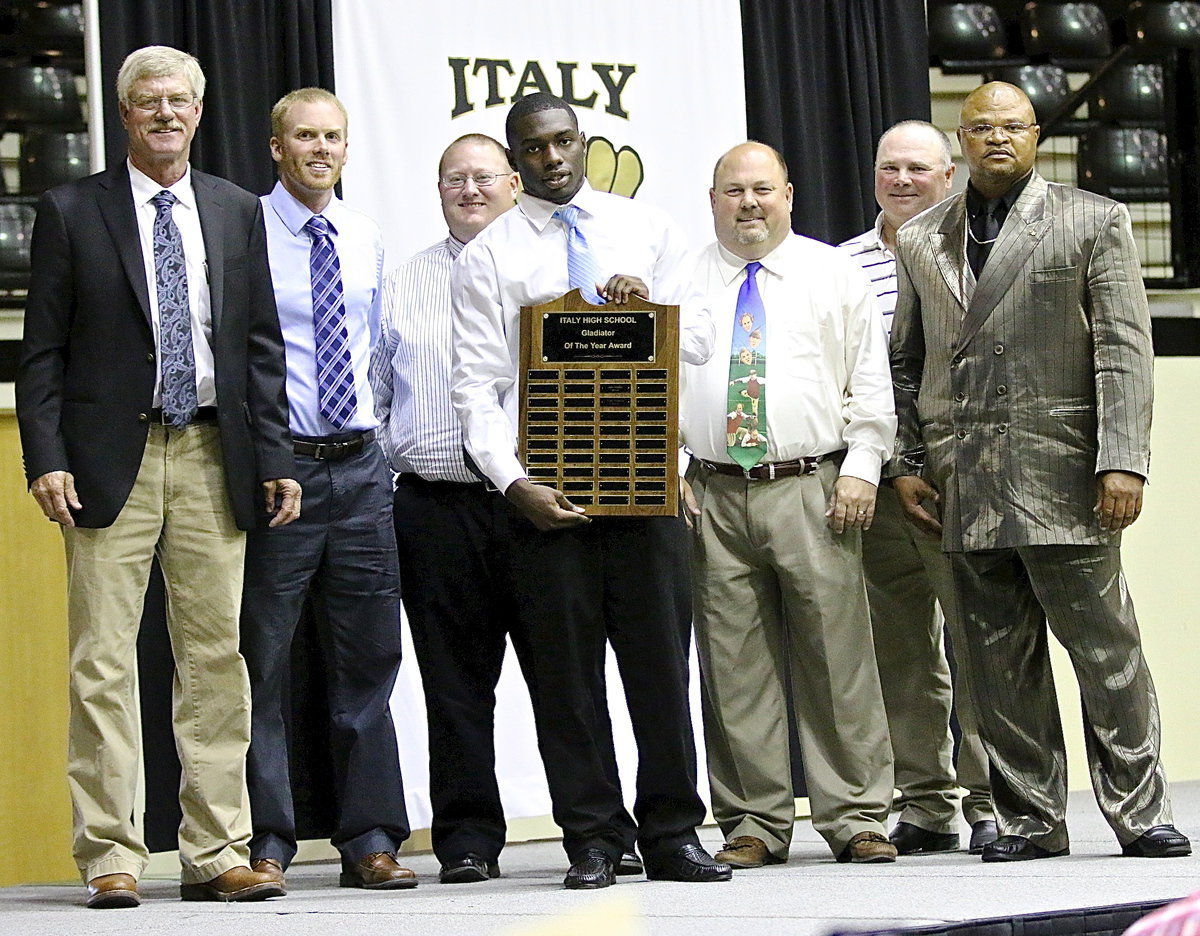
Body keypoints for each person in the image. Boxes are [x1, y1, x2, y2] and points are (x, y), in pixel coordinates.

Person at [16, 45, 299, 908]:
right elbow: (43, 355)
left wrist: (276, 455)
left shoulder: (236, 209)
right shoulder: (71, 210)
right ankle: (110, 852)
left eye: (178, 101)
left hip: (217, 455)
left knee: (216, 658)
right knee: (103, 660)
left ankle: (217, 850)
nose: (165, 114)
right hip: (112, 462)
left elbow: (258, 347)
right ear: (124, 114)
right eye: (147, 103)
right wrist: (47, 455)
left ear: (200, 112)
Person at [890, 81, 1191, 862]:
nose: (997, 139)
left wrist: (1123, 460)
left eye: (1012, 127)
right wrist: (910, 462)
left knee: (1106, 652)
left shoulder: (1093, 219)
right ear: (961, 140)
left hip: (1066, 474)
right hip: (965, 480)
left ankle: (1140, 811)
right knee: (996, 663)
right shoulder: (921, 235)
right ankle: (1030, 820)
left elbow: (1126, 352)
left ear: (1035, 135)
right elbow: (907, 362)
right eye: (981, 128)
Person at [451, 92, 728, 889]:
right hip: (549, 496)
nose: (553, 159)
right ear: (514, 161)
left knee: (660, 674)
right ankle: (595, 840)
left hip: (645, 484)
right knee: (566, 682)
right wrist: (512, 483)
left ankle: (674, 833)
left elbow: (701, 342)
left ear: (586, 142)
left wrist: (658, 306)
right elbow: (477, 388)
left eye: (565, 142)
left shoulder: (650, 229)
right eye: (534, 149)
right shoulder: (491, 255)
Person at [374, 132, 644, 884]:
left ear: (515, 181)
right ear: (437, 192)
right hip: (438, 505)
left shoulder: (556, 265)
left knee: (569, 680)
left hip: (538, 503)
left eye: (484, 177)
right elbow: (376, 393)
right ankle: (465, 839)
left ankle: (598, 831)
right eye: (453, 179)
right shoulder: (401, 283)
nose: (470, 190)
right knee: (454, 684)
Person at [679, 141, 898, 868]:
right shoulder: (677, 279)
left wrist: (863, 467)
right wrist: (666, 468)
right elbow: (653, 387)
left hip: (813, 486)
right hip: (710, 491)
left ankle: (857, 815)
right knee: (732, 665)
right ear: (712, 198)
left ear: (789, 194)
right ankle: (752, 822)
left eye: (762, 190)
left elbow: (869, 380)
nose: (748, 203)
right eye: (733, 190)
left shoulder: (832, 273)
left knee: (838, 659)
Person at [240, 88, 414, 892]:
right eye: (304, 136)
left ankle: (371, 838)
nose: (319, 149)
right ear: (276, 147)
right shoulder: (242, 232)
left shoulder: (365, 236)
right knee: (263, 662)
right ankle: (266, 841)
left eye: (332, 137)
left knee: (369, 659)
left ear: (347, 149)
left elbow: (377, 351)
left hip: (360, 468)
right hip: (284, 472)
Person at [838, 120, 997, 856]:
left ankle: (994, 796)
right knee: (902, 653)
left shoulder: (978, 256)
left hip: (960, 483)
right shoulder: (837, 267)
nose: (902, 181)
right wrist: (883, 470)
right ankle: (928, 803)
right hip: (874, 487)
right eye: (889, 168)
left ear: (950, 176)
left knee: (980, 647)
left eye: (919, 169)